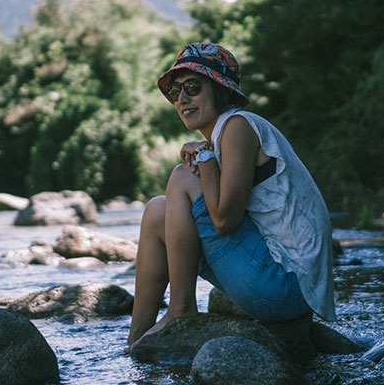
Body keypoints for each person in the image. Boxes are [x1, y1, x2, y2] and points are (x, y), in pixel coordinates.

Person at [125, 42, 336, 353]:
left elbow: (224, 220)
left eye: (193, 87)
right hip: (274, 279)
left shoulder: (238, 127)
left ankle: (180, 309)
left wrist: (205, 158)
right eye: (175, 92)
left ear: (221, 90)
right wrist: (206, 155)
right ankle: (136, 339)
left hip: (287, 285)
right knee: (158, 210)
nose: (182, 99)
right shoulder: (225, 133)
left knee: (181, 176)